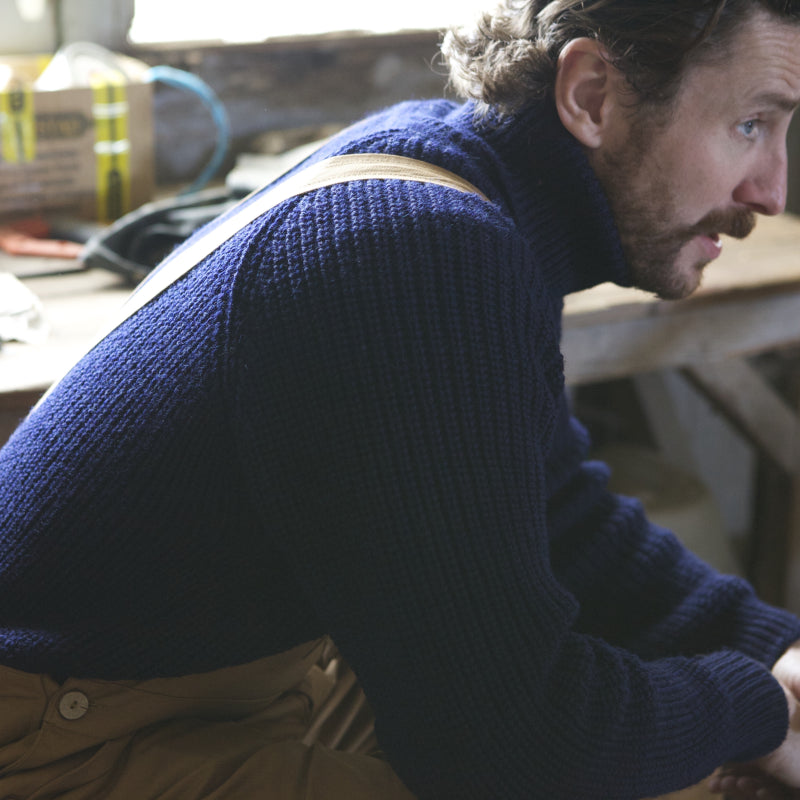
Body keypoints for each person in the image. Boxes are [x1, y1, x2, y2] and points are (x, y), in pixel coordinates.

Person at [1, 0, 800, 797]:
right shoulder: (421, 253)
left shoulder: (465, 180)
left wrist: (774, 652)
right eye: (749, 126)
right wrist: (758, 706)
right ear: (592, 95)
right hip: (64, 742)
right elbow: (514, 744)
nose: (771, 191)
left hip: (213, 678)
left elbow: (559, 515)